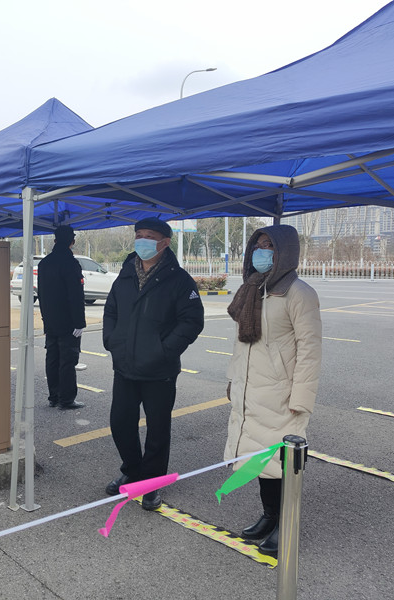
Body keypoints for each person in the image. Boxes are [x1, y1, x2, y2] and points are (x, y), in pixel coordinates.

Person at [223, 225, 322, 557]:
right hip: (252, 389)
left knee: (282, 462)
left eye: (269, 246)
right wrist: (234, 380)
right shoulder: (253, 288)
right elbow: (242, 345)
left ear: (285, 251)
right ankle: (269, 515)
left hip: (282, 394)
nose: (261, 251)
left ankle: (287, 524)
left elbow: (310, 350)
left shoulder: (299, 293)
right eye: (257, 245)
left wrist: (301, 399)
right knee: (260, 459)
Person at [103, 217, 204, 510]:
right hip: (125, 365)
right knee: (120, 423)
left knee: (158, 430)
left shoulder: (179, 279)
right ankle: (132, 469)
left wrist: (164, 350)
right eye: (138, 235)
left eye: (148, 236)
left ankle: (151, 482)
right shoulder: (126, 274)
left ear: (165, 242)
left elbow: (191, 321)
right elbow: (111, 311)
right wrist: (112, 340)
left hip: (159, 370)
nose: (142, 241)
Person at [37, 225, 86, 410]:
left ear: (55, 240)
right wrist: (79, 322)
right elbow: (76, 296)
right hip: (68, 321)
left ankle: (54, 396)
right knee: (68, 360)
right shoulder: (71, 263)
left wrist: (45, 317)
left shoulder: (44, 263)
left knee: (52, 357)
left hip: (50, 319)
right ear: (72, 241)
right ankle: (66, 399)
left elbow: (41, 293)